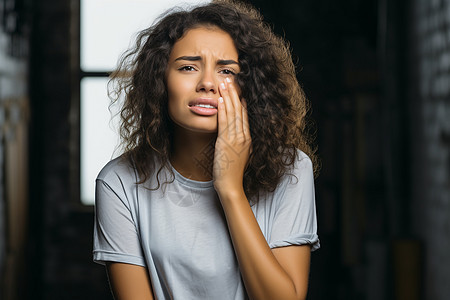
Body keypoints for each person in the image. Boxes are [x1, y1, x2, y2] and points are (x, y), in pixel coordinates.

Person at [93, 0, 320, 299]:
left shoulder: (291, 169)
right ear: (160, 80)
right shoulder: (119, 182)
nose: (208, 84)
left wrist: (230, 189)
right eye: (188, 67)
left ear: (249, 86)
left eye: (227, 70)